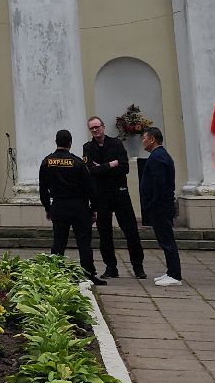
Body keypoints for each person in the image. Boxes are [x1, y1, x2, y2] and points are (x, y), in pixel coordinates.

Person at [83, 117, 146, 280]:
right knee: (104, 233)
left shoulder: (116, 144)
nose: (95, 130)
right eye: (92, 128)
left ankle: (138, 267)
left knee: (130, 230)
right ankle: (111, 267)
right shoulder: (88, 147)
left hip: (119, 192)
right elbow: (90, 170)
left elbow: (124, 167)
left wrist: (101, 167)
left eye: (97, 127)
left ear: (103, 127)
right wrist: (111, 165)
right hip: (101, 195)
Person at [39, 129, 104, 285]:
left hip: (59, 206)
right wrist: (94, 209)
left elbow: (43, 188)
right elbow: (90, 188)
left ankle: (54, 274)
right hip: (78, 206)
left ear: (56, 142)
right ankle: (89, 275)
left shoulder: (47, 162)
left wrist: (48, 207)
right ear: (70, 143)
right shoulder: (78, 162)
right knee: (84, 242)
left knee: (59, 241)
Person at [139, 127, 182, 286]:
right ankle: (171, 272)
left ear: (152, 139)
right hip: (160, 205)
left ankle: (175, 275)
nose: (142, 140)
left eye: (144, 137)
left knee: (167, 241)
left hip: (160, 207)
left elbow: (159, 184)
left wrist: (151, 204)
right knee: (165, 240)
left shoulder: (157, 158)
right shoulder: (159, 156)